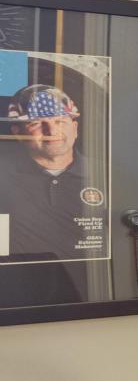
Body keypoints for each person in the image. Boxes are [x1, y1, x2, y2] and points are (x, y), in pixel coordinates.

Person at [0, 84, 99, 275]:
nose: (52, 131)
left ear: (75, 128)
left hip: (90, 293)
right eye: (36, 123)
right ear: (17, 132)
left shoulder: (105, 175)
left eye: (61, 121)